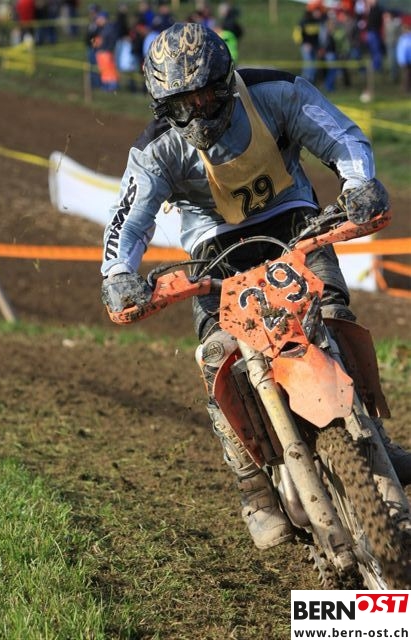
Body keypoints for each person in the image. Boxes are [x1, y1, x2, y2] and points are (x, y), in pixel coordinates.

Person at [101, 22, 411, 551]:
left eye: (204, 96)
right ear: (163, 107)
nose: (197, 113)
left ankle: (373, 436)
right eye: (181, 105)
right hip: (214, 250)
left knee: (331, 315)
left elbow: (340, 135)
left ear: (225, 82)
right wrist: (118, 275)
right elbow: (127, 220)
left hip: (295, 224)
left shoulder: (276, 92)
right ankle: (252, 485)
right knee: (217, 355)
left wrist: (359, 182)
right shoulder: (156, 150)